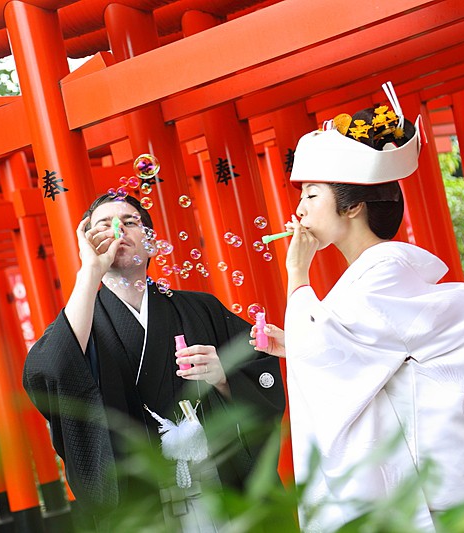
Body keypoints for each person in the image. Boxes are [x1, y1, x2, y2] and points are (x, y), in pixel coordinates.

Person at [253, 93, 464, 532]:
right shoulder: (378, 276)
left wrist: (297, 274)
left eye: (312, 195)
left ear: (352, 206)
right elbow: (356, 350)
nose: (299, 210)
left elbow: (339, 351)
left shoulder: (382, 276)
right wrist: (299, 344)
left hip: (432, 491)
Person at [23, 193, 285, 529]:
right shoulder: (81, 324)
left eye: (130, 222)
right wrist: (89, 272)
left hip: (220, 489)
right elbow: (52, 374)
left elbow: (260, 370)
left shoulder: (200, 308)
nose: (118, 229)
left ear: (151, 245)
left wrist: (223, 377)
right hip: (140, 503)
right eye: (103, 226)